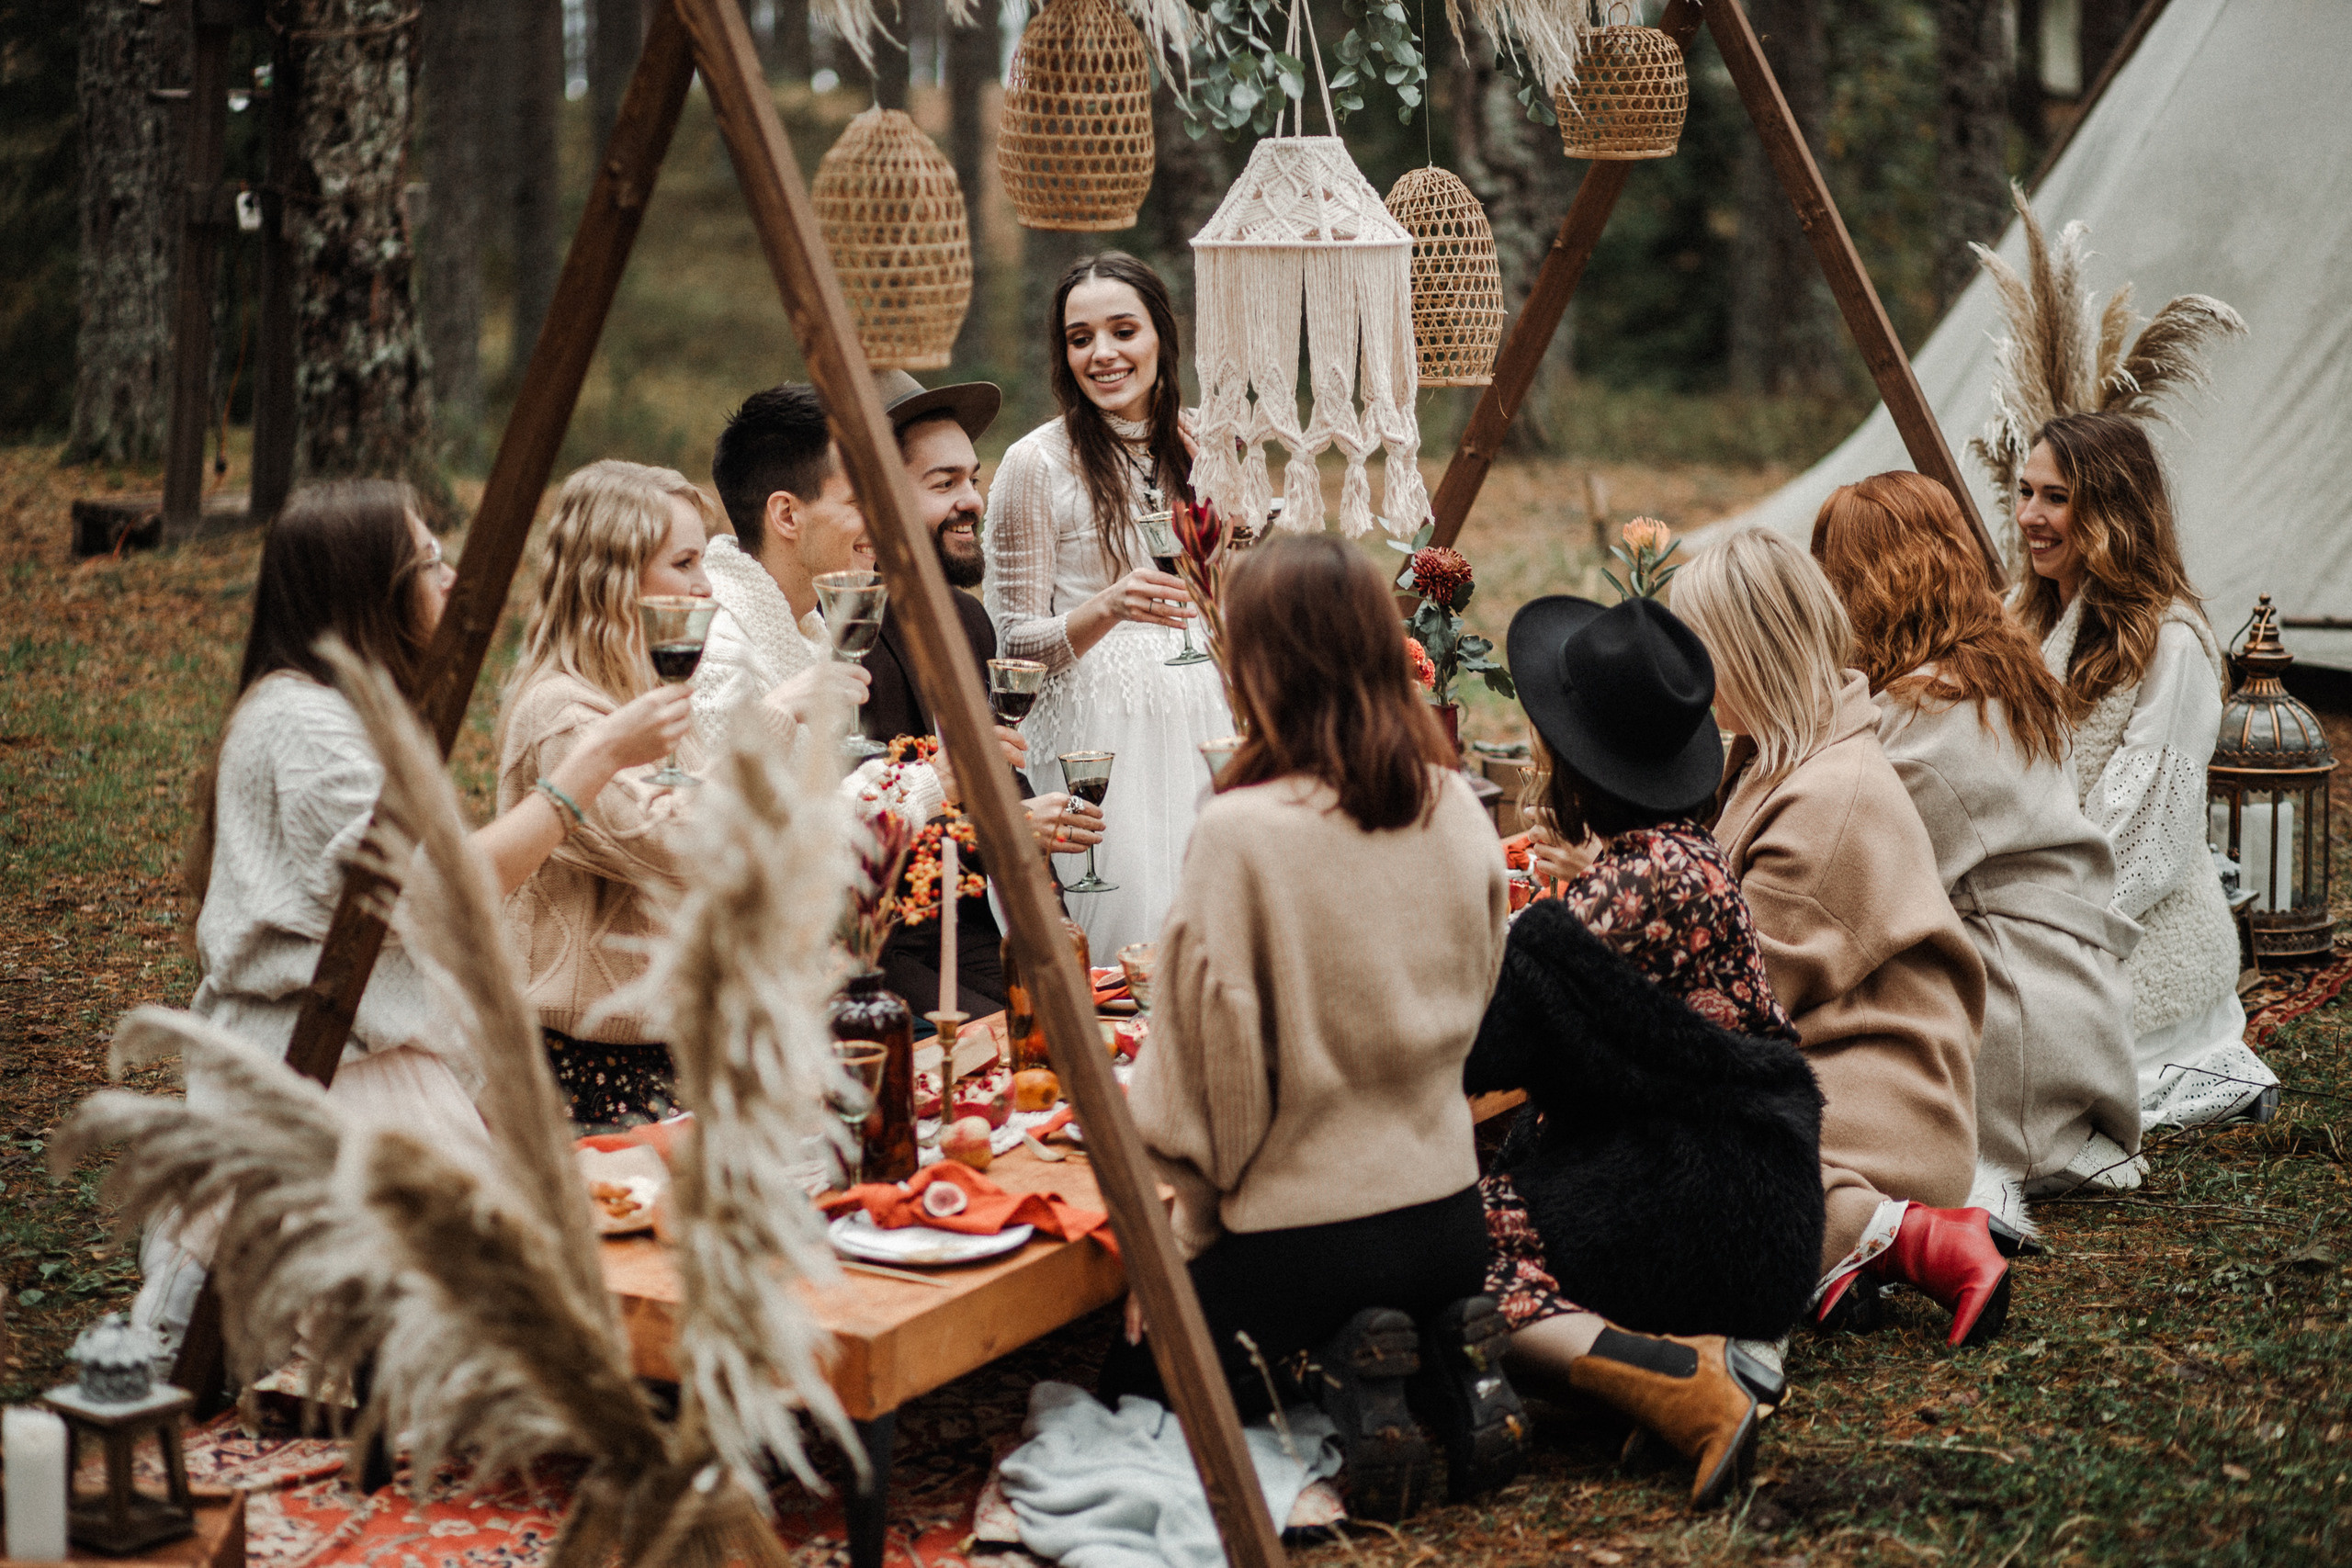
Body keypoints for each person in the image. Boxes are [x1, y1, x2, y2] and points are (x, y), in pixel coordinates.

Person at [141, 479, 689, 1348]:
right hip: (322, 1080)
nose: (452, 580)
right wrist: (589, 766)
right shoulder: (305, 726)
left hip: (373, 1066)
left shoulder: (337, 714)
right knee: (354, 1364)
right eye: (431, 562)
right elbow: (432, 889)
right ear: (371, 588)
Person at [1106, 536, 1518, 1523]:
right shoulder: (1458, 808)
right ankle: (1419, 1378)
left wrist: (1184, 1237)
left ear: (1256, 666)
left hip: (1301, 1235)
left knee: (1125, 1382)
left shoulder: (1240, 831)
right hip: (1449, 1218)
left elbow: (1213, 1080)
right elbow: (1482, 996)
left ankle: (1331, 1389)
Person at [1464, 593, 1823, 1510]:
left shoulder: (1629, 889)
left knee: (1443, 1252)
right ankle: (1672, 1359)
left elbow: (1474, 1041)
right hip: (1742, 1191)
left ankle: (1672, 1379)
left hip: (1699, 1206)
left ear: (1572, 757)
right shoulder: (1676, 855)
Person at [1674, 528, 2011, 1348]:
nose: (1687, 675)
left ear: (1747, 652)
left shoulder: (1826, 804)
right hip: (1838, 1073)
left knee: (1661, 1151)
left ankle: (1889, 1232)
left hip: (1880, 1113)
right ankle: (1836, 1271)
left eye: (1697, 649)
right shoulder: (1785, 756)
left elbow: (1730, 1001)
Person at [1814, 471, 2144, 1222]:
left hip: (2018, 1029)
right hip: (2067, 1009)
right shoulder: (1991, 666)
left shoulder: (1936, 716)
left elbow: (1843, 882)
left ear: (1860, 582)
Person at [2013, 412, 2274, 1130]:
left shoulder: (2173, 643)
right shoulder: (2019, 619)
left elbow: (2144, 844)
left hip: (2132, 930)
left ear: (2113, 511)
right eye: (2025, 491)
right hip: (2033, 902)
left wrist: (2031, 927)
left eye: (2056, 497)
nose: (2031, 515)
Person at [983, 252, 1233, 956]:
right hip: (1098, 743)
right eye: (1080, 338)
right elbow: (1012, 649)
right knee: (1122, 943)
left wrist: (1229, 516)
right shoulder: (1035, 464)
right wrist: (1109, 605)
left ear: (1161, 335)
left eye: (1123, 330)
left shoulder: (1205, 443)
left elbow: (1226, 604)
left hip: (1201, 723)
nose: (1103, 354)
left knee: (1209, 924)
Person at [859, 369, 1102, 1016]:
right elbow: (864, 823)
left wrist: (1054, 935)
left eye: (972, 478)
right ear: (875, 497)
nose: (973, 500)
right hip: (899, 959)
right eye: (944, 484)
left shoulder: (969, 622)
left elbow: (1002, 773)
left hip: (993, 935)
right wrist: (1009, 828)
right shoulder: (848, 635)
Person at [498, 459, 717, 1130]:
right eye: (683, 563)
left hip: (675, 1055)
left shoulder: (648, 700)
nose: (706, 587)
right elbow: (687, 849)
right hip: (592, 1072)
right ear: (615, 579)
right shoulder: (563, 716)